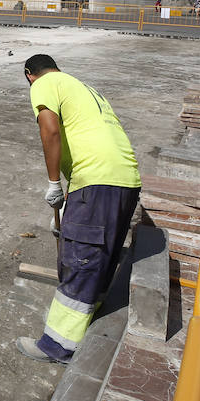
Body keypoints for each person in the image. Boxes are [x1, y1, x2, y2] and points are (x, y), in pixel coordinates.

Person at [16, 55, 142, 365]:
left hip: (98, 181)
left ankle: (58, 346)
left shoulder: (43, 84)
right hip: (124, 180)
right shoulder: (83, 88)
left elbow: (51, 130)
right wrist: (72, 203)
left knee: (80, 258)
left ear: (30, 75)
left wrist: (52, 182)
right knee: (99, 257)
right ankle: (87, 322)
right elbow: (89, 141)